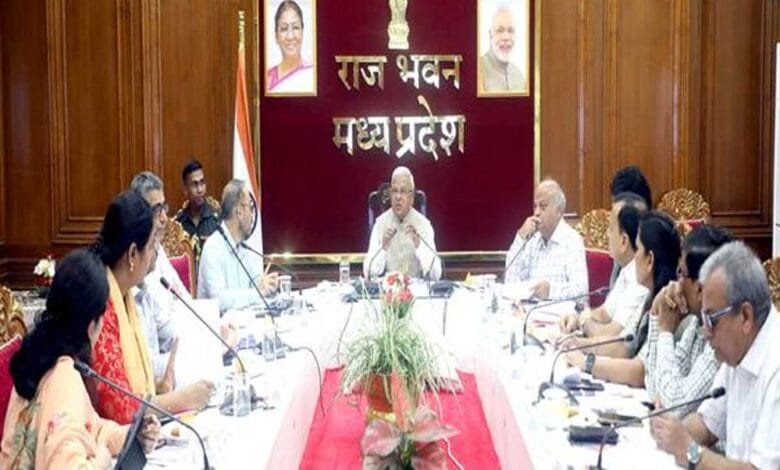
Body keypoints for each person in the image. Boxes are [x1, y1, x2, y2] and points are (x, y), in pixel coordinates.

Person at [1, 249, 160, 468]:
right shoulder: (65, 378)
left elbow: (89, 427)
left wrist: (132, 435)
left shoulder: (39, 352)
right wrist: (102, 458)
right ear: (92, 325)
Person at [565, 226, 730, 416]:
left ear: (700, 289)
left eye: (682, 273)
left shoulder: (716, 337)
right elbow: (653, 382)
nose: (678, 282)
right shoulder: (695, 323)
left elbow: (672, 404)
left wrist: (664, 330)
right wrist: (655, 315)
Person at [651, 241, 780, 469]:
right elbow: (706, 425)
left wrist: (690, 451)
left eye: (711, 320)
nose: (705, 332)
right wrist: (668, 431)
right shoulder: (738, 350)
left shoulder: (775, 366)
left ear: (745, 316)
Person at [91, 191, 214, 424]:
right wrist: (182, 399)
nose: (155, 256)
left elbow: (130, 384)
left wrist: (157, 386)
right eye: (151, 247)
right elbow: (120, 408)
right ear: (132, 254)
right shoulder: (101, 305)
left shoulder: (126, 295)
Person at [562, 211, 679, 358]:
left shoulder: (661, 303)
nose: (635, 258)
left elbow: (638, 366)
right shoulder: (648, 295)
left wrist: (586, 359)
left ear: (650, 260)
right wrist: (577, 342)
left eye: (638, 249)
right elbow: (623, 347)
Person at [559, 192, 649, 337]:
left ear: (624, 241)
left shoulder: (641, 280)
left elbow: (611, 335)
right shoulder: (627, 269)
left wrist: (584, 322)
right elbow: (604, 313)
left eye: (611, 229)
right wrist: (577, 317)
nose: (607, 234)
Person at [130, 171, 183, 388]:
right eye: (156, 210)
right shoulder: (135, 279)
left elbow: (185, 299)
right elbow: (145, 363)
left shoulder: (158, 253)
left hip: (164, 373)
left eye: (164, 208)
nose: (164, 218)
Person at [198, 180, 279, 313]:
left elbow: (257, 283)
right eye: (251, 208)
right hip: (219, 324)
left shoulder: (244, 246)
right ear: (240, 211)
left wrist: (268, 285)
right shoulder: (212, 248)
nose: (252, 215)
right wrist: (257, 293)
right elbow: (219, 300)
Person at [504, 179, 587, 300]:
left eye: (543, 207)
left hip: (558, 310)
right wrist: (520, 237)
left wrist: (551, 291)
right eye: (535, 206)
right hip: (529, 309)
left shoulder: (572, 241)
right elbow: (511, 283)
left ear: (559, 211)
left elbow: (581, 292)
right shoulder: (532, 240)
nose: (537, 212)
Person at [363, 167, 442, 281]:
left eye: (403, 191)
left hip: (416, 289)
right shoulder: (380, 224)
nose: (398, 197)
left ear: (412, 197)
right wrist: (383, 247)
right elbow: (368, 272)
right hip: (388, 289)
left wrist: (419, 246)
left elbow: (436, 275)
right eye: (395, 191)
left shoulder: (424, 225)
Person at [266, 0, 314, 93]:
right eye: (284, 29)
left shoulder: (312, 74)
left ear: (302, 31)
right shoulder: (267, 79)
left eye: (295, 27)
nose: (290, 36)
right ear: (276, 36)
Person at [174, 160, 220, 257]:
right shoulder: (179, 224)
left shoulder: (217, 220)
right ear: (186, 189)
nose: (200, 190)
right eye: (194, 184)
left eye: (202, 183)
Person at [479, 4, 526, 93]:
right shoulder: (478, 69)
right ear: (490, 35)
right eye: (500, 30)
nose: (506, 37)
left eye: (510, 30)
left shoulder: (519, 75)